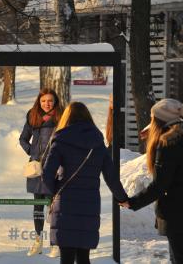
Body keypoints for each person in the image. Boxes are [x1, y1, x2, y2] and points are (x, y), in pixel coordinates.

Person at [120, 99, 183, 264]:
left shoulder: (167, 143)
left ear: (159, 120)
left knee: (181, 259)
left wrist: (132, 202)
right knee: (180, 258)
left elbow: (160, 186)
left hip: (178, 212)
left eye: (153, 119)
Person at [42, 102, 128, 264]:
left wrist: (55, 191)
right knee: (83, 257)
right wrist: (122, 198)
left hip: (65, 204)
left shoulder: (60, 140)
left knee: (66, 257)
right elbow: (111, 176)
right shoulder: (97, 143)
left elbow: (46, 174)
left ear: (67, 118)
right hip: (89, 205)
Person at [19, 88, 63, 257]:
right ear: (39, 101)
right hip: (37, 167)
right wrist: (33, 152)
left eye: (50, 101)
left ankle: (55, 243)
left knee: (53, 206)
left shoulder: (61, 117)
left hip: (54, 166)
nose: (47, 104)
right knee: (38, 206)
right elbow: (23, 139)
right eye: (43, 101)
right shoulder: (33, 116)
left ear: (55, 102)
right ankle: (38, 241)